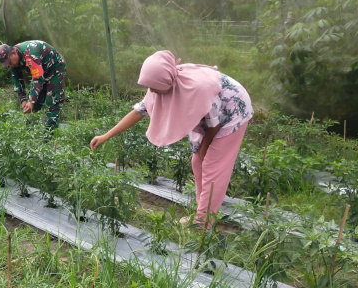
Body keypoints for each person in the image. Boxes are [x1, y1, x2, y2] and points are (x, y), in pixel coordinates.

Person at [90, 50, 253, 228]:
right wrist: (105, 136)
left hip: (233, 111)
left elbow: (213, 125)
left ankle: (203, 223)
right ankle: (202, 213)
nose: (150, 91)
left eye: (153, 87)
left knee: (213, 168)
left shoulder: (198, 88)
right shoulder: (161, 83)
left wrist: (205, 148)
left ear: (166, 82)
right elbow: (139, 111)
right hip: (211, 116)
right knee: (197, 162)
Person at [0, 40, 66, 131]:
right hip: (41, 69)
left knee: (53, 99)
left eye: (9, 62)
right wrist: (23, 100)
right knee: (36, 102)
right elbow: (17, 79)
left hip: (55, 67)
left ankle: (49, 134)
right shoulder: (14, 59)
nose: (9, 65)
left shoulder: (30, 53)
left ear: (13, 53)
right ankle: (34, 129)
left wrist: (31, 101)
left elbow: (37, 78)